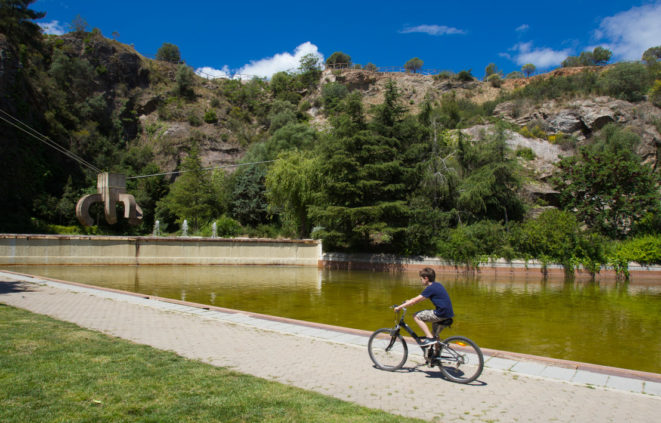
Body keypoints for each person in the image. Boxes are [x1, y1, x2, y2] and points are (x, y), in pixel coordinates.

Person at [394, 267, 453, 347]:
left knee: (416, 316)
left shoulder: (430, 288)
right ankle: (435, 356)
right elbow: (418, 299)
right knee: (435, 336)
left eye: (421, 279)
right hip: (447, 314)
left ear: (426, 278)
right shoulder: (437, 285)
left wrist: (399, 307)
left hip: (440, 313)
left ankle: (429, 337)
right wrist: (409, 301)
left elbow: (415, 300)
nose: (421, 281)